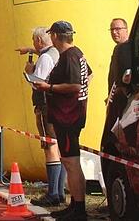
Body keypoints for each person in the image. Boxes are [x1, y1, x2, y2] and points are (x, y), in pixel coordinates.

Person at [32, 20, 92, 221]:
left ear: (56, 36)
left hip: (68, 116)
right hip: (70, 113)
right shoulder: (76, 54)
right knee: (69, 160)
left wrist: (49, 88)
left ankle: (79, 208)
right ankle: (75, 204)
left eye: (52, 35)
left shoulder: (70, 56)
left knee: (71, 161)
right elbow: (88, 76)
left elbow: (75, 85)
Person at [16, 27, 65, 207]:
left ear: (39, 40)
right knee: (58, 147)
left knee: (50, 146)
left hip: (45, 106)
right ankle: (59, 192)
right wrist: (29, 50)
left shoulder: (45, 58)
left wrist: (28, 72)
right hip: (57, 106)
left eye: (34, 41)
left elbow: (38, 83)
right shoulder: (56, 53)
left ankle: (53, 193)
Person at [103, 18, 132, 147]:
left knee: (111, 138)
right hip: (116, 99)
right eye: (112, 29)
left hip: (124, 102)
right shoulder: (118, 48)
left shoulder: (126, 48)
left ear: (126, 30)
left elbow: (127, 76)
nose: (114, 32)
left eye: (118, 29)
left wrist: (121, 92)